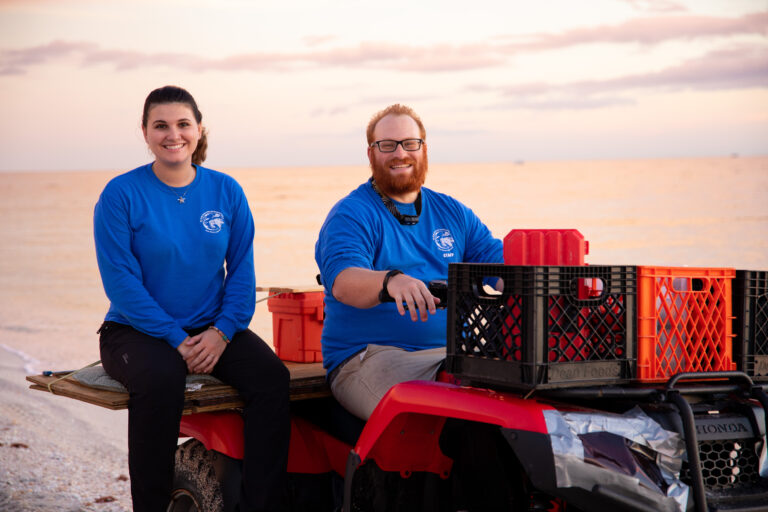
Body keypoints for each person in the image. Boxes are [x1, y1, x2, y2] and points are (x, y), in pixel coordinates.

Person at [93, 85, 289, 512]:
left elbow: (240, 273)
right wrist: (176, 338)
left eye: (183, 124)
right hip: (133, 330)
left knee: (273, 380)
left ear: (199, 130)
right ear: (144, 132)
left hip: (211, 326)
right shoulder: (120, 194)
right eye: (160, 125)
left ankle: (262, 504)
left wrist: (222, 331)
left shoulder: (226, 191)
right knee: (162, 381)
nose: (173, 134)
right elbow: (121, 285)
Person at [315, 104, 503, 421]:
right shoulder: (351, 214)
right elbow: (344, 282)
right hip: (370, 357)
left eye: (409, 143)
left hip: (453, 356)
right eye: (387, 145)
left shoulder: (453, 212)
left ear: (423, 149)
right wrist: (391, 281)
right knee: (445, 412)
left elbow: (501, 269)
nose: (400, 153)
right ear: (371, 153)